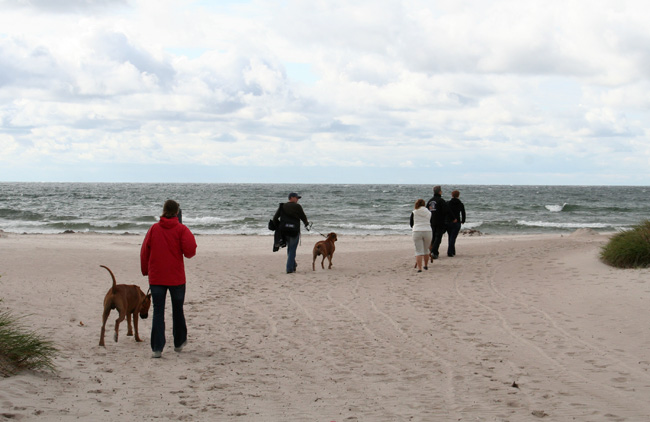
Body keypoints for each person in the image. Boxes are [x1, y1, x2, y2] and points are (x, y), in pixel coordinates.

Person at [140, 199, 197, 358]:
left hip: (157, 276)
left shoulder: (154, 229)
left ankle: (157, 348)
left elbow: (145, 251)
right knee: (177, 310)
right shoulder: (181, 229)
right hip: (176, 278)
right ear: (177, 212)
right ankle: (178, 342)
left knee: (158, 311)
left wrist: (145, 270)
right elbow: (190, 251)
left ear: (164, 211)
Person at [273, 192, 310, 273]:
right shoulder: (297, 206)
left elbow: (275, 218)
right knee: (292, 250)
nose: (297, 200)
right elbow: (303, 217)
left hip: (284, 231)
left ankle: (293, 265)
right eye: (296, 198)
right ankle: (289, 268)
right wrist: (306, 224)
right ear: (291, 197)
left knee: (290, 250)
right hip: (294, 231)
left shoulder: (282, 206)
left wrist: (278, 226)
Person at [426, 185, 450, 260]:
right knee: (438, 237)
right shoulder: (441, 201)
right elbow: (446, 211)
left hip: (431, 221)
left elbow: (427, 211)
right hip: (440, 221)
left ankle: (432, 251)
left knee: (433, 237)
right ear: (440, 192)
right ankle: (434, 252)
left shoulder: (430, 201)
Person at [410, 199, 432, 272]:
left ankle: (419, 268)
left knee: (418, 251)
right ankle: (425, 265)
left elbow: (411, 223)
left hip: (417, 231)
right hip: (427, 230)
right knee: (426, 249)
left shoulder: (414, 212)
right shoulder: (429, 212)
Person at [446, 190, 466, 257]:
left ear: (452, 195)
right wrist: (463, 220)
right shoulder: (460, 203)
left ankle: (452, 251)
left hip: (449, 222)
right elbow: (463, 213)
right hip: (457, 222)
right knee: (453, 237)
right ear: (458, 195)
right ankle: (450, 251)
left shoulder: (448, 203)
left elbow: (446, 212)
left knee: (450, 236)